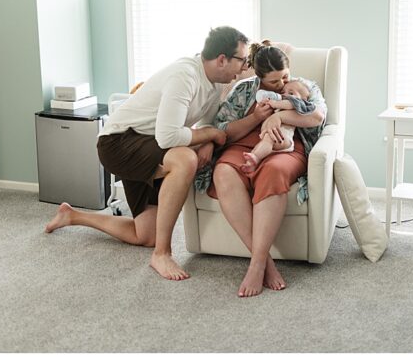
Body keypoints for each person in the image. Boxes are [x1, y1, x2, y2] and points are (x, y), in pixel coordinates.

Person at [44, 26, 251, 281]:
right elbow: (170, 137)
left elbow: (208, 125)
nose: (244, 68)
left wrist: (208, 138)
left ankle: (72, 215)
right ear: (222, 59)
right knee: (186, 159)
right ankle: (162, 254)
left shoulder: (215, 85)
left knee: (144, 235)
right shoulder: (185, 76)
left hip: (149, 145)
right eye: (242, 60)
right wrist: (208, 136)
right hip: (118, 143)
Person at [203, 41, 326, 297]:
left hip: (286, 146)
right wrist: (258, 118)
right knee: (223, 171)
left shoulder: (304, 86)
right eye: (273, 82)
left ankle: (256, 265)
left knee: (274, 172)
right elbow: (223, 130)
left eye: (285, 76)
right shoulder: (243, 91)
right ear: (258, 78)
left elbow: (316, 117)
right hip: (245, 144)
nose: (281, 85)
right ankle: (264, 262)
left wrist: (279, 117)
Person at [241, 79, 316, 174]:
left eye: (291, 92)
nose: (285, 94)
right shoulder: (281, 105)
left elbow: (288, 104)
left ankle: (255, 158)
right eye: (283, 92)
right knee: (260, 145)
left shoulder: (296, 103)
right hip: (275, 136)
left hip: (284, 138)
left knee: (268, 139)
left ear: (303, 99)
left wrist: (274, 103)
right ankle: (251, 163)